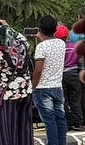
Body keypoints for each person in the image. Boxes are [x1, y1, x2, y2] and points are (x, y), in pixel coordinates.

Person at [0, 22, 34, 145]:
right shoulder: (24, 47)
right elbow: (22, 37)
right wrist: (8, 26)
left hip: (8, 95)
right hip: (26, 91)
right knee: (25, 127)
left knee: (8, 128)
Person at [33, 15, 68, 145]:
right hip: (57, 86)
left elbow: (38, 70)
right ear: (55, 29)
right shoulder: (61, 43)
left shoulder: (41, 47)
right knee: (60, 118)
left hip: (43, 88)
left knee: (49, 120)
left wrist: (33, 85)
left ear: (40, 29)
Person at [57, 24, 84, 130]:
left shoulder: (58, 48)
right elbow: (80, 59)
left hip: (62, 75)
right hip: (74, 74)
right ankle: (78, 123)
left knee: (63, 100)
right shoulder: (74, 46)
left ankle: (66, 123)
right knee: (76, 99)